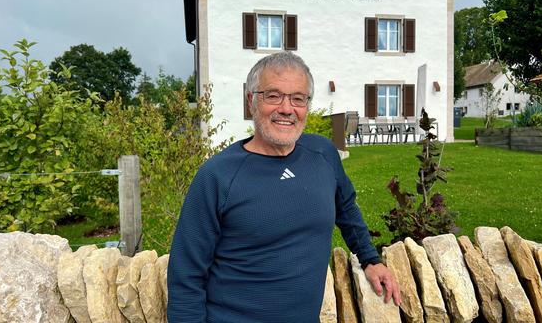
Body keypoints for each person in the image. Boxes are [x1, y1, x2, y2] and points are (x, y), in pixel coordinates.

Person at [167, 52, 401, 322]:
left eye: (298, 98)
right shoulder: (217, 176)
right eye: (273, 96)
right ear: (251, 101)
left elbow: (345, 207)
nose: (287, 109)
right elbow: (186, 276)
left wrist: (370, 259)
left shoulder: (323, 154)